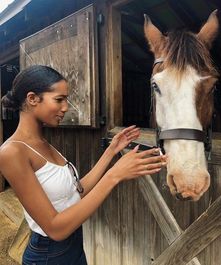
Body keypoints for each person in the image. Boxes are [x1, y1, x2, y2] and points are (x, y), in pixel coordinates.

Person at [0, 65, 167, 265]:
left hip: (74, 245)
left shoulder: (43, 143)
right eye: (59, 99)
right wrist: (114, 175)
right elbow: (55, 228)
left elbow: (76, 193)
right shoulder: (12, 152)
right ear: (32, 99)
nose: (66, 107)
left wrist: (111, 151)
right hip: (49, 255)